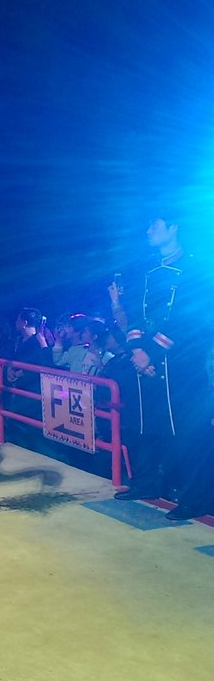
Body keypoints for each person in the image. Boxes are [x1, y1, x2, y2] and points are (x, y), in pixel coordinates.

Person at [113, 212, 212, 520]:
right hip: (147, 361)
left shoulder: (197, 268)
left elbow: (190, 320)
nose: (148, 231)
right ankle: (146, 483)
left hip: (182, 365)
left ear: (173, 227)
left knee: (189, 434)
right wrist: (136, 351)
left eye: (154, 225)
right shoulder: (147, 270)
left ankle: (196, 499)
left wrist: (151, 354)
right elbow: (137, 314)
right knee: (147, 426)